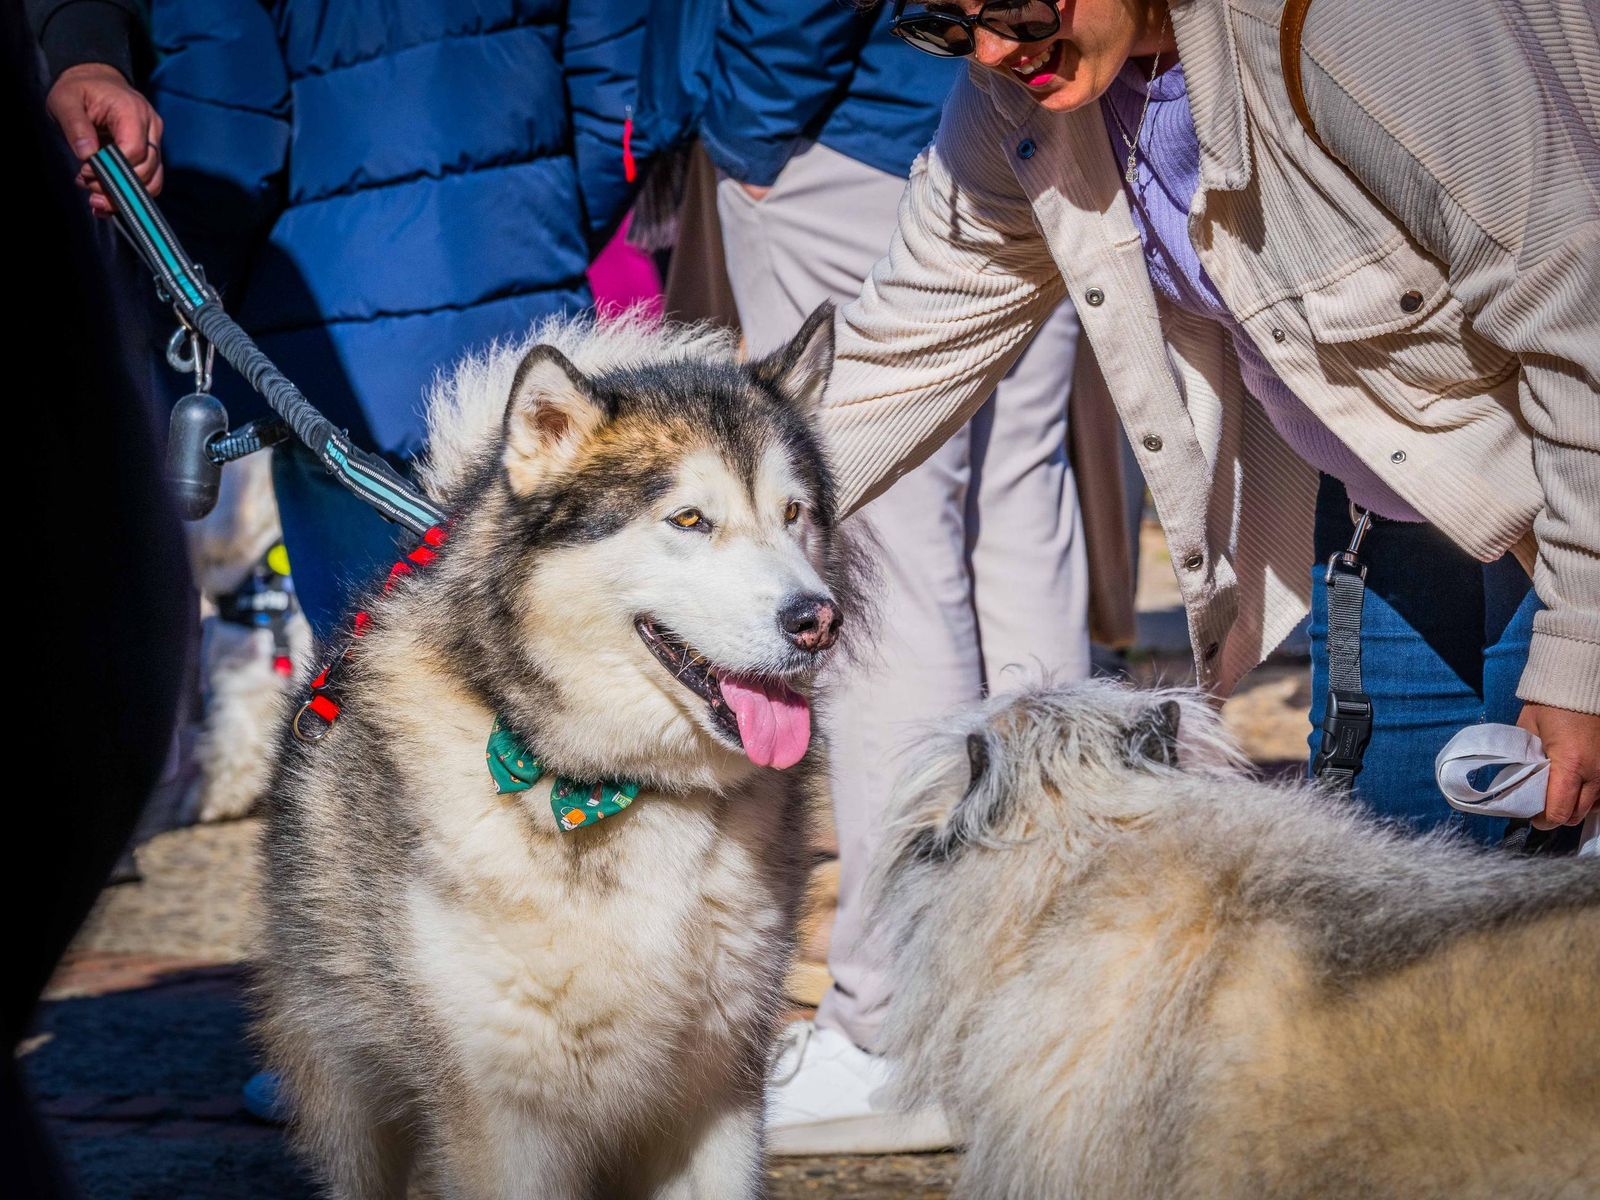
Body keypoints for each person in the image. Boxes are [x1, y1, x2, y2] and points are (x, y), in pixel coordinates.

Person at [818, 0, 1599, 837]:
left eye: (1017, 6)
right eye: (945, 25)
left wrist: (1581, 659)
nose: (997, 49)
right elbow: (906, 345)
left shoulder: (1362, 30)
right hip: (1390, 511)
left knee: (1545, 933)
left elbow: (1579, 317)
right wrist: (711, 505)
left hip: (1568, 519)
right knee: (1403, 917)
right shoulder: (1020, 96)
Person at [703, 0, 1092, 1155]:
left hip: (850, 135)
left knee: (886, 571)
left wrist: (752, 127)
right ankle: (1047, 983)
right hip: (1047, 113)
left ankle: (897, 1028)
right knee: (1019, 527)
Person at [143, 0, 652, 640]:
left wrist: (204, 295)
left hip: (337, 368)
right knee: (536, 666)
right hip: (525, 334)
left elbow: (226, 133)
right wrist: (537, 222)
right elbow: (618, 82)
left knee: (368, 675)